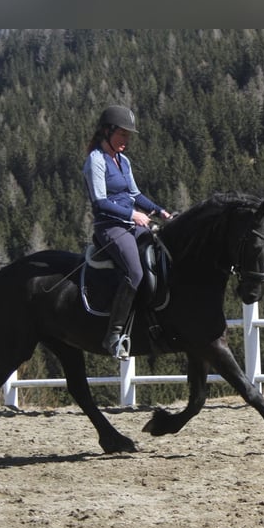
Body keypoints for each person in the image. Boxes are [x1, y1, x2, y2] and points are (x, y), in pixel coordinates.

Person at [82, 104, 172, 359]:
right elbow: (100, 202)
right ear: (107, 132)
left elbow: (134, 194)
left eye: (128, 135)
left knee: (163, 253)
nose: (126, 140)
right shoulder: (95, 160)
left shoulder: (123, 161)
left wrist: (161, 211)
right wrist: (133, 215)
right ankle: (114, 335)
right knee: (134, 270)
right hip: (110, 228)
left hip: (131, 225)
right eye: (122, 134)